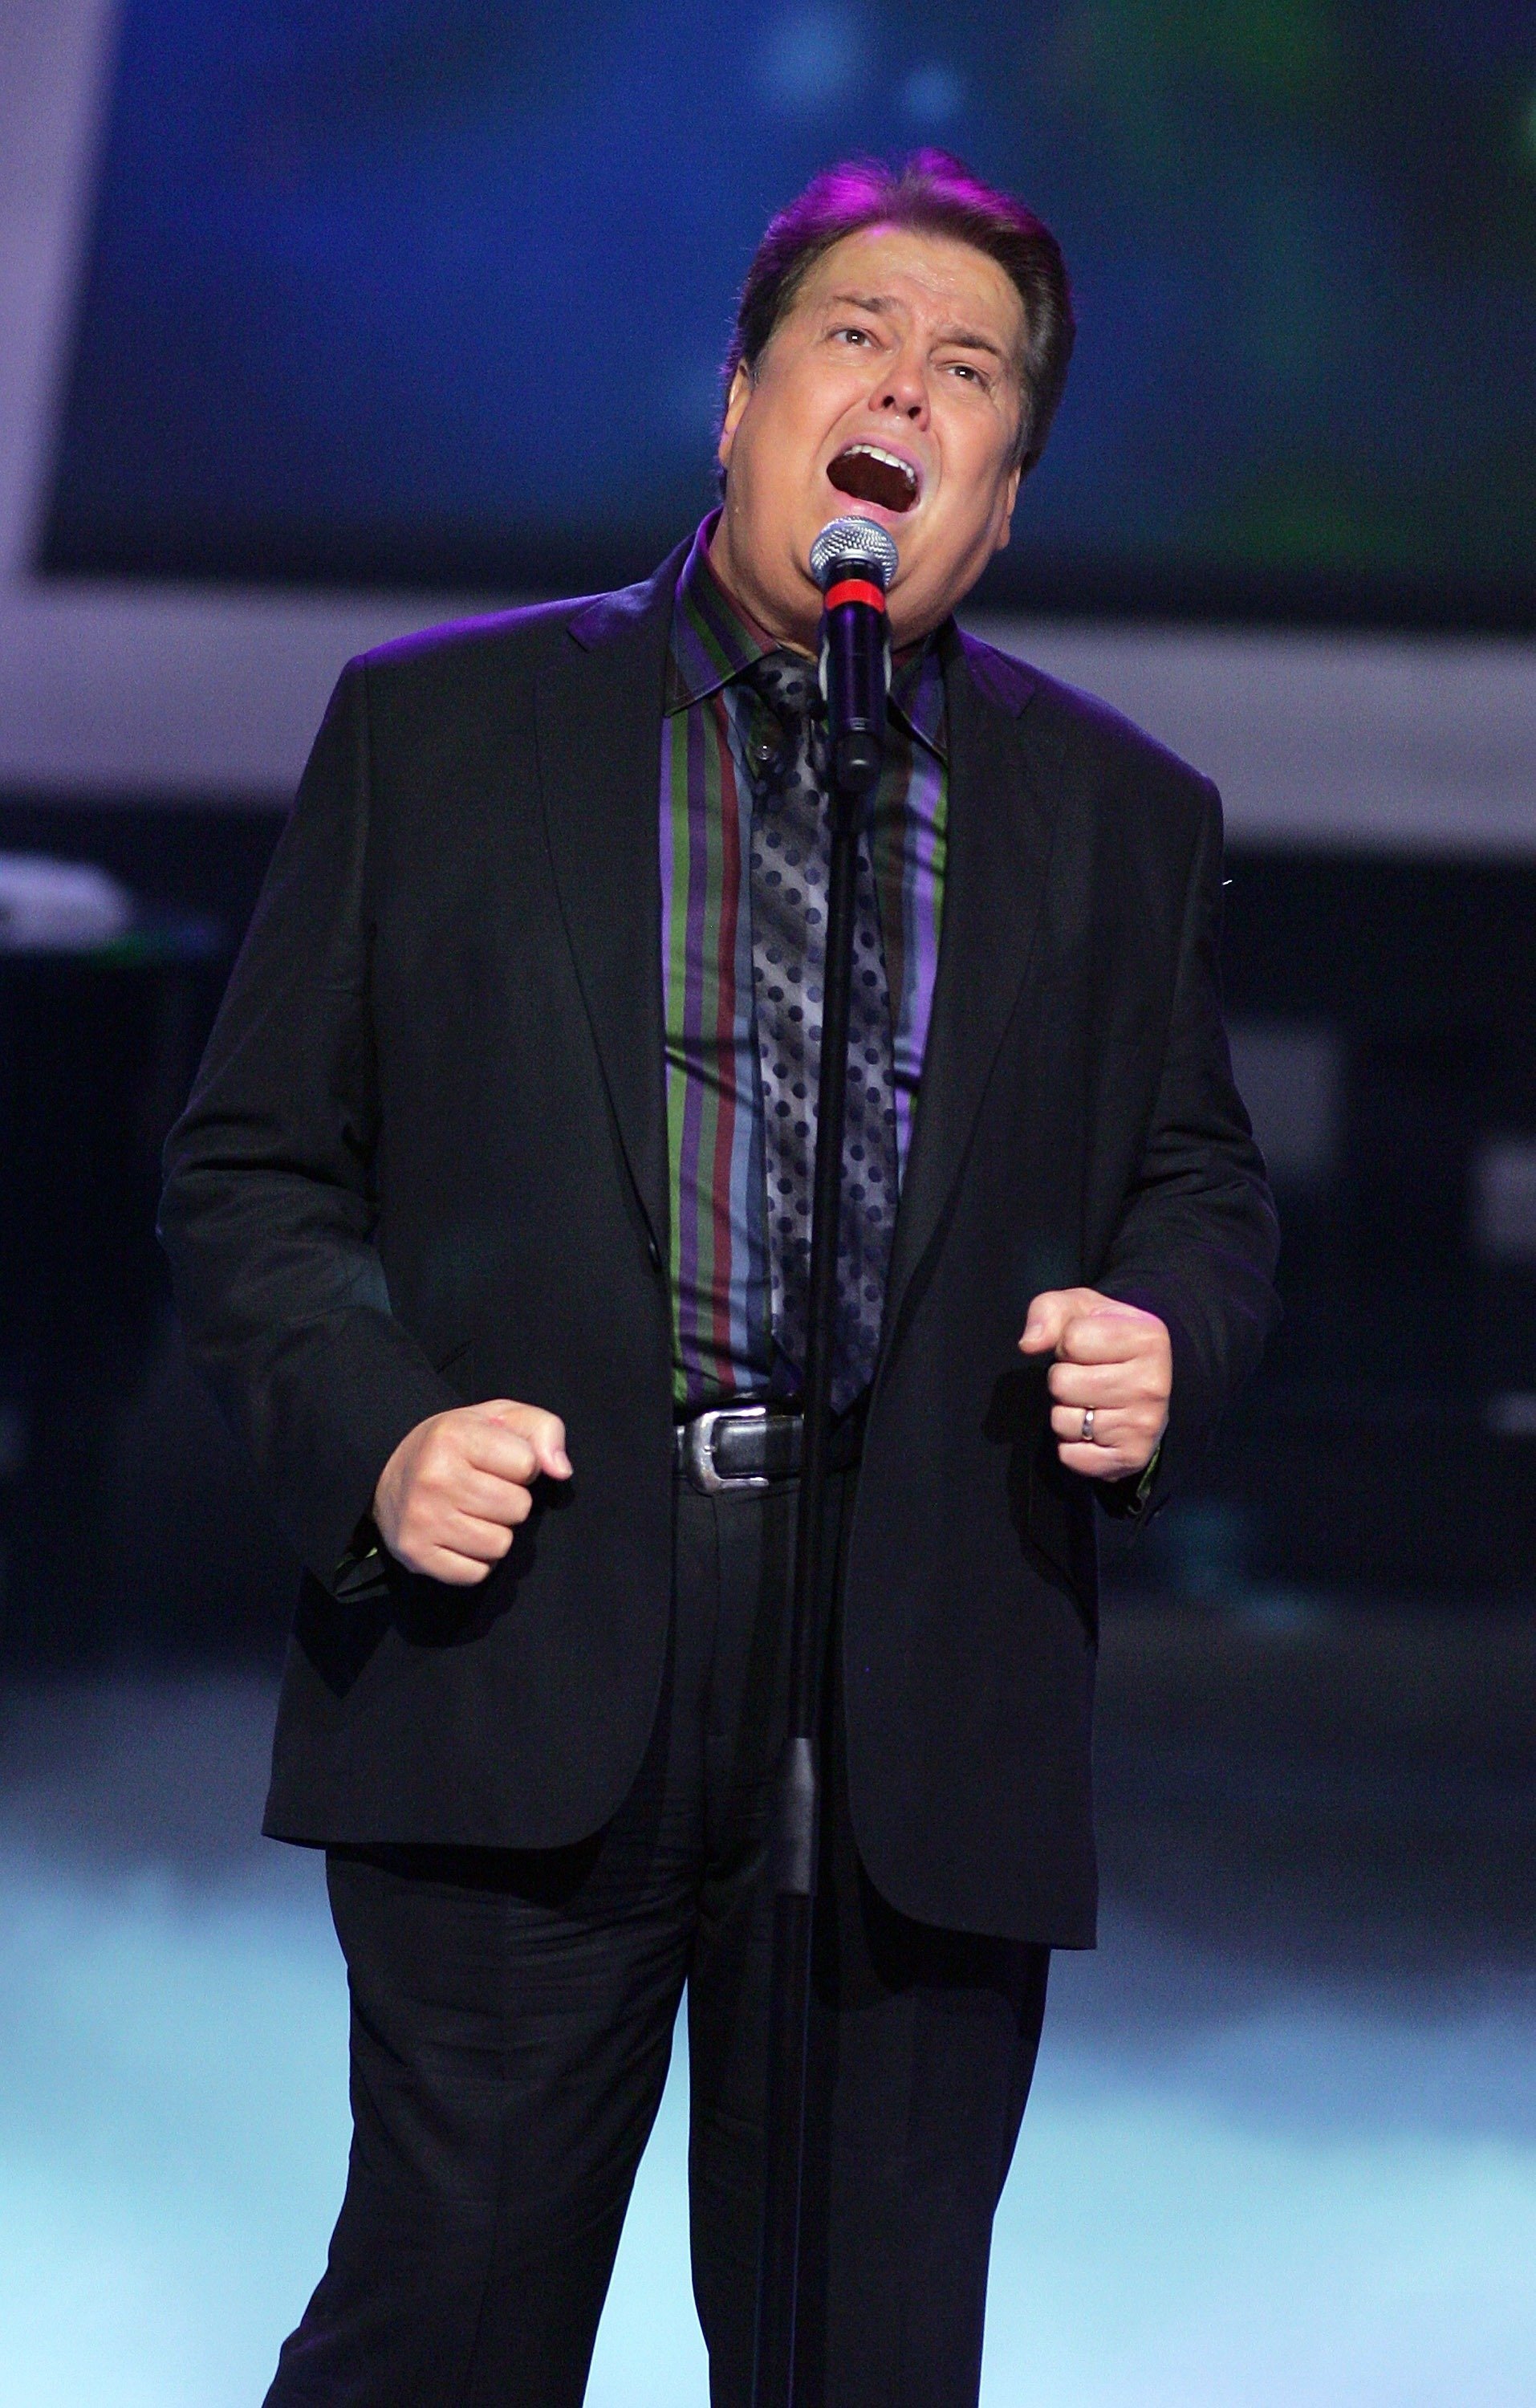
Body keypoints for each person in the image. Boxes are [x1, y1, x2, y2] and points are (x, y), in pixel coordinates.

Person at [161, 150, 1278, 2408]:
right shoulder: (442, 735)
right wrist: (379, 1434)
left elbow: (1198, 1183)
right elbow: (255, 1169)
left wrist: (1167, 1330)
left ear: (998, 494)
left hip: (914, 1677)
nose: (902, 389)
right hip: (536, 1638)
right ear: (741, 402)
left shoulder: (1119, 818)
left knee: (855, 2363)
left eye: (966, 372)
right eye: (853, 337)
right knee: (437, 2341)